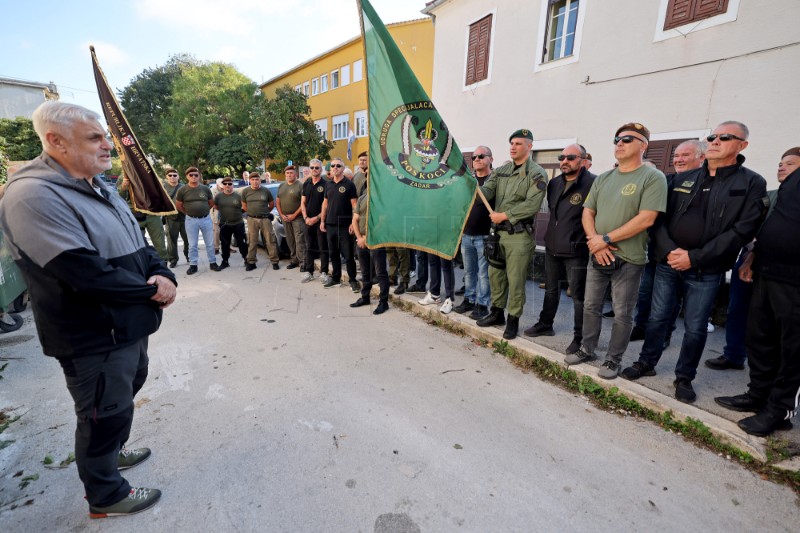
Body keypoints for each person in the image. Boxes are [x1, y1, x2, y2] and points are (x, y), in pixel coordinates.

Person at [0, 101, 175, 517]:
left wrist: (164, 274)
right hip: (93, 333)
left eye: (105, 137)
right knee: (102, 413)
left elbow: (141, 243)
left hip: (126, 327)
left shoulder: (98, 185)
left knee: (123, 395)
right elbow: (83, 272)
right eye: (95, 138)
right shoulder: (32, 195)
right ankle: (106, 495)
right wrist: (152, 292)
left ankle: (112, 454)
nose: (107, 146)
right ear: (55, 141)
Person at [621, 122, 767, 403]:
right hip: (669, 263)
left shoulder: (750, 182)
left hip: (707, 270)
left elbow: (742, 230)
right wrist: (670, 252)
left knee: (696, 327)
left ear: (742, 145)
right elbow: (658, 219)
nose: (715, 141)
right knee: (657, 317)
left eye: (724, 137)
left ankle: (684, 377)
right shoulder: (681, 179)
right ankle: (646, 363)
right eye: (712, 136)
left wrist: (694, 257)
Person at [565, 122, 668, 379]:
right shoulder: (605, 178)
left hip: (628, 259)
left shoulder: (653, 177)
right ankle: (587, 348)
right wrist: (595, 241)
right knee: (590, 306)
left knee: (622, 313)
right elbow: (588, 212)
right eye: (617, 139)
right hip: (597, 253)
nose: (619, 143)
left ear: (643, 146)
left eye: (627, 139)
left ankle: (613, 359)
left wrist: (606, 238)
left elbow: (646, 218)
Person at [715, 147, 800, 436]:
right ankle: (758, 395)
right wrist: (752, 259)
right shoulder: (788, 189)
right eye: (781, 163)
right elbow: (773, 229)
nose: (782, 167)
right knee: (759, 338)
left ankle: (780, 410)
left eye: (790, 163)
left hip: (795, 282)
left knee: (791, 349)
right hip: (766, 273)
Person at [630, 140, 706, 343]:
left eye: (685, 155)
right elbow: (655, 216)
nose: (679, 159)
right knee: (646, 292)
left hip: (682, 256)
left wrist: (675, 250)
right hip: (657, 250)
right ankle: (641, 326)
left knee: (670, 300)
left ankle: (665, 334)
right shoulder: (666, 181)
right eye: (677, 156)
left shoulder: (705, 184)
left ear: (701, 158)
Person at [476, 129, 548, 340]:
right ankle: (497, 313)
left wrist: (505, 215)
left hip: (518, 235)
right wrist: (475, 186)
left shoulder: (536, 173)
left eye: (518, 143)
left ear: (529, 146)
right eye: (511, 143)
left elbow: (532, 204)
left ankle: (513, 320)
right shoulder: (502, 170)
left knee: (515, 280)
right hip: (497, 235)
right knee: (495, 275)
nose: (513, 146)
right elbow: (487, 192)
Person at [524, 144, 595, 355]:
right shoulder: (554, 183)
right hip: (552, 246)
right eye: (561, 157)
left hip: (576, 250)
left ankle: (580, 337)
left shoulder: (593, 183)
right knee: (551, 289)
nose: (564, 161)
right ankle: (546, 324)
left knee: (579, 297)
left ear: (582, 160)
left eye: (570, 157)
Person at [453, 146, 493, 319]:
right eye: (474, 156)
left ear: (490, 159)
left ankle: (483, 305)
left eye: (481, 156)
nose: (476, 159)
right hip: (467, 235)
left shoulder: (495, 181)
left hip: (485, 236)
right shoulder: (469, 181)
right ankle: (469, 299)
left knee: (484, 274)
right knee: (469, 272)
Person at [320, 157, 359, 292]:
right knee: (333, 254)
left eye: (338, 165)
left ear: (342, 168)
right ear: (330, 168)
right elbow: (325, 204)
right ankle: (336, 278)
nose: (335, 167)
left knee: (348, 256)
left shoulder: (349, 185)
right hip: (330, 225)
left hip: (344, 226)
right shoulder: (328, 184)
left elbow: (355, 205)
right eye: (333, 166)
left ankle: (353, 280)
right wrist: (322, 221)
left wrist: (353, 223)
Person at [350, 185, 390, 314]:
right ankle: (365, 297)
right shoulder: (362, 198)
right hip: (361, 241)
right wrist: (359, 238)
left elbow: (383, 221)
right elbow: (355, 219)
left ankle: (383, 302)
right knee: (365, 272)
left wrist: (368, 238)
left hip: (376, 242)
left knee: (380, 273)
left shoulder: (382, 199)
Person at [116, 174, 169, 263]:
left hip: (152, 214)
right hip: (135, 214)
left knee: (160, 243)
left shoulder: (149, 172)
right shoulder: (124, 176)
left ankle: (163, 263)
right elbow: (120, 197)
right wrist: (124, 186)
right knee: (138, 242)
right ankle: (143, 264)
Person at [175, 166, 218, 274]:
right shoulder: (182, 190)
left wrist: (204, 211)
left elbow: (211, 203)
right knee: (193, 244)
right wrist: (187, 213)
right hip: (191, 220)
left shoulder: (205, 189)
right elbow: (179, 205)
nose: (193, 177)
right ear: (187, 177)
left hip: (206, 219)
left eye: (196, 175)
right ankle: (193, 265)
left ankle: (213, 263)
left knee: (209, 243)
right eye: (191, 175)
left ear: (199, 176)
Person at [241, 171, 280, 271]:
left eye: (257, 179)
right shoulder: (246, 191)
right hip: (252, 219)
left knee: (270, 240)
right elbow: (244, 206)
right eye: (253, 180)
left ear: (260, 180)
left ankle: (275, 261)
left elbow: (271, 204)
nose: (255, 182)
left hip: (265, 219)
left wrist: (265, 213)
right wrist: (252, 213)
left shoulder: (265, 191)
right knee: (252, 241)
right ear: (250, 180)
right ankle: (251, 262)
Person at [301, 159, 330, 283]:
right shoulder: (306, 184)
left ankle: (324, 272)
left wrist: (317, 218)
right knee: (309, 247)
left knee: (323, 247)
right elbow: (302, 203)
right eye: (312, 168)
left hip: (321, 221)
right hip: (308, 221)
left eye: (317, 168)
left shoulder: (326, 184)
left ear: (321, 169)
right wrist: (306, 218)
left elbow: (327, 205)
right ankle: (309, 272)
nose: (314, 170)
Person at [214, 176, 248, 269]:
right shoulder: (218, 196)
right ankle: (225, 261)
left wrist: (237, 213)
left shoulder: (238, 196)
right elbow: (216, 206)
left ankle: (246, 259)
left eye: (230, 184)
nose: (228, 186)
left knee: (242, 243)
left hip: (238, 223)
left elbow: (245, 208)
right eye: (225, 184)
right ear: (222, 185)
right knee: (225, 244)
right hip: (225, 224)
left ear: (233, 185)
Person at [276, 165, 306, 270]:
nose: (289, 175)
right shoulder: (281, 186)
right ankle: (294, 260)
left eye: (291, 173)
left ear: (296, 174)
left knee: (299, 240)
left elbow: (303, 203)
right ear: (285, 175)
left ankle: (303, 262)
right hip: (285, 218)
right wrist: (281, 215)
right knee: (290, 240)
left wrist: (294, 215)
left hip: (298, 218)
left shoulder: (300, 185)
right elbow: (278, 202)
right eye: (287, 173)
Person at [163, 168, 189, 268]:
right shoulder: (163, 187)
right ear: (167, 177)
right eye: (170, 175)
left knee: (188, 240)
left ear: (178, 176)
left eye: (174, 175)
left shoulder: (184, 187)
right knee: (171, 241)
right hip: (170, 218)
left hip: (184, 217)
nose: (172, 177)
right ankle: (173, 260)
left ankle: (189, 257)